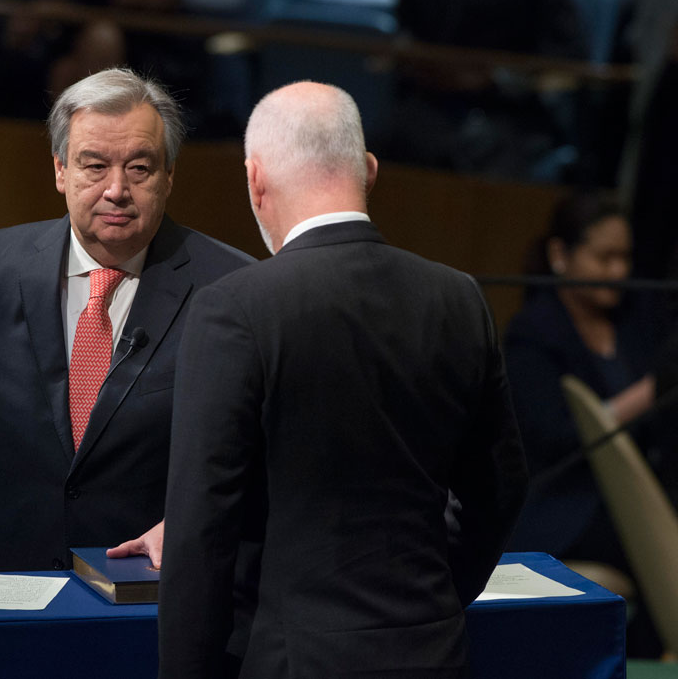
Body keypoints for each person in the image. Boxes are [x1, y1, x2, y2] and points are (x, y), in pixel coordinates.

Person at [158, 81, 529, 678]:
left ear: (255, 178)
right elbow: (501, 487)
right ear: (370, 171)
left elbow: (201, 531)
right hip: (433, 651)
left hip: (292, 658)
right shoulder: (458, 297)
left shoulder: (236, 307)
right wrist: (435, 598)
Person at [0, 67, 254, 574]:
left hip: (148, 593)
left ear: (169, 176)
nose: (116, 189)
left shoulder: (230, 287)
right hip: (0, 584)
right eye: (94, 166)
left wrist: (191, 523)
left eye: (139, 169)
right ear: (60, 170)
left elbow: (270, 448)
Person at [504, 191, 677, 656]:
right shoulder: (532, 335)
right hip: (566, 504)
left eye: (625, 258)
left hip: (631, 494)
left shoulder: (639, 321)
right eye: (604, 257)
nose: (618, 272)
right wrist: (650, 392)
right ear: (561, 255)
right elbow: (558, 438)